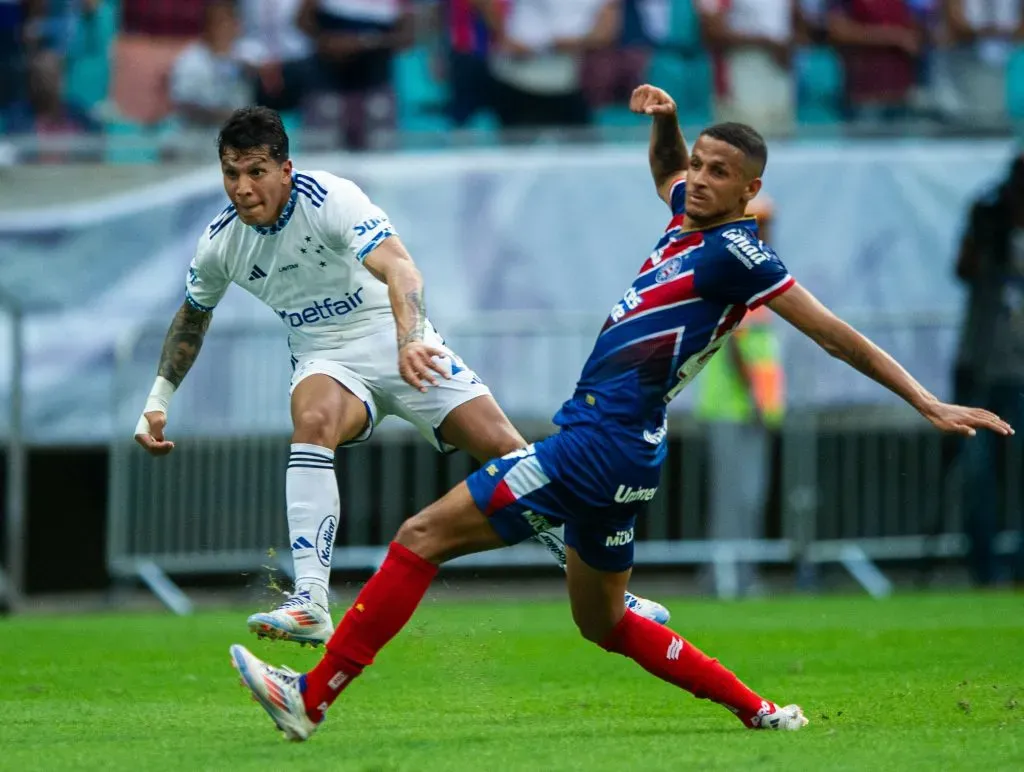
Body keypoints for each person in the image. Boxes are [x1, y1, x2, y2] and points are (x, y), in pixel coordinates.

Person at [228, 85, 1013, 741]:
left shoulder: (741, 255)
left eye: (719, 173)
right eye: (699, 166)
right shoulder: (687, 217)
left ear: (749, 193)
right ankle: (762, 710)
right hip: (630, 455)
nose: (698, 179)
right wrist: (666, 122)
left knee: (419, 538)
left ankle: (312, 696)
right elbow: (669, 168)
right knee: (601, 622)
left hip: (595, 444)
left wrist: (925, 400)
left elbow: (834, 335)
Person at [132, 106, 669, 647]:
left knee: (509, 453)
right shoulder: (221, 242)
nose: (242, 188)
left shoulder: (331, 199)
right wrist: (158, 398)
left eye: (255, 172)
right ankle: (311, 602)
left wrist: (411, 338)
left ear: (285, 168)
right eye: (230, 173)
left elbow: (400, 267)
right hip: (326, 357)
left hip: (395, 336)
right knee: (313, 422)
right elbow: (192, 318)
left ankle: (608, 593)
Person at [695, 195, 784, 598]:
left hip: (751, 410)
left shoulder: (757, 272)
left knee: (747, 497)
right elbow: (734, 343)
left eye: (766, 224)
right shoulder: (739, 270)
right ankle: (727, 579)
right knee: (733, 499)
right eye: (757, 223)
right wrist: (753, 398)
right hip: (733, 409)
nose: (764, 231)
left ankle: (736, 576)